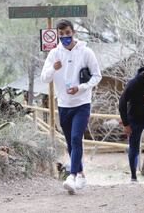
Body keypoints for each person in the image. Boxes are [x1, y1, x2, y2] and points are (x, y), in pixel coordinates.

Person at [41, 19, 102, 194]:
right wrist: (53, 68)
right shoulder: (54, 54)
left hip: (82, 103)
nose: (65, 37)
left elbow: (97, 76)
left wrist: (81, 88)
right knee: (70, 143)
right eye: (61, 35)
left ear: (73, 32)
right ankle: (81, 175)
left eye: (67, 33)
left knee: (76, 139)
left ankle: (72, 175)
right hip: (63, 104)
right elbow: (44, 78)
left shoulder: (86, 52)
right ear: (58, 35)